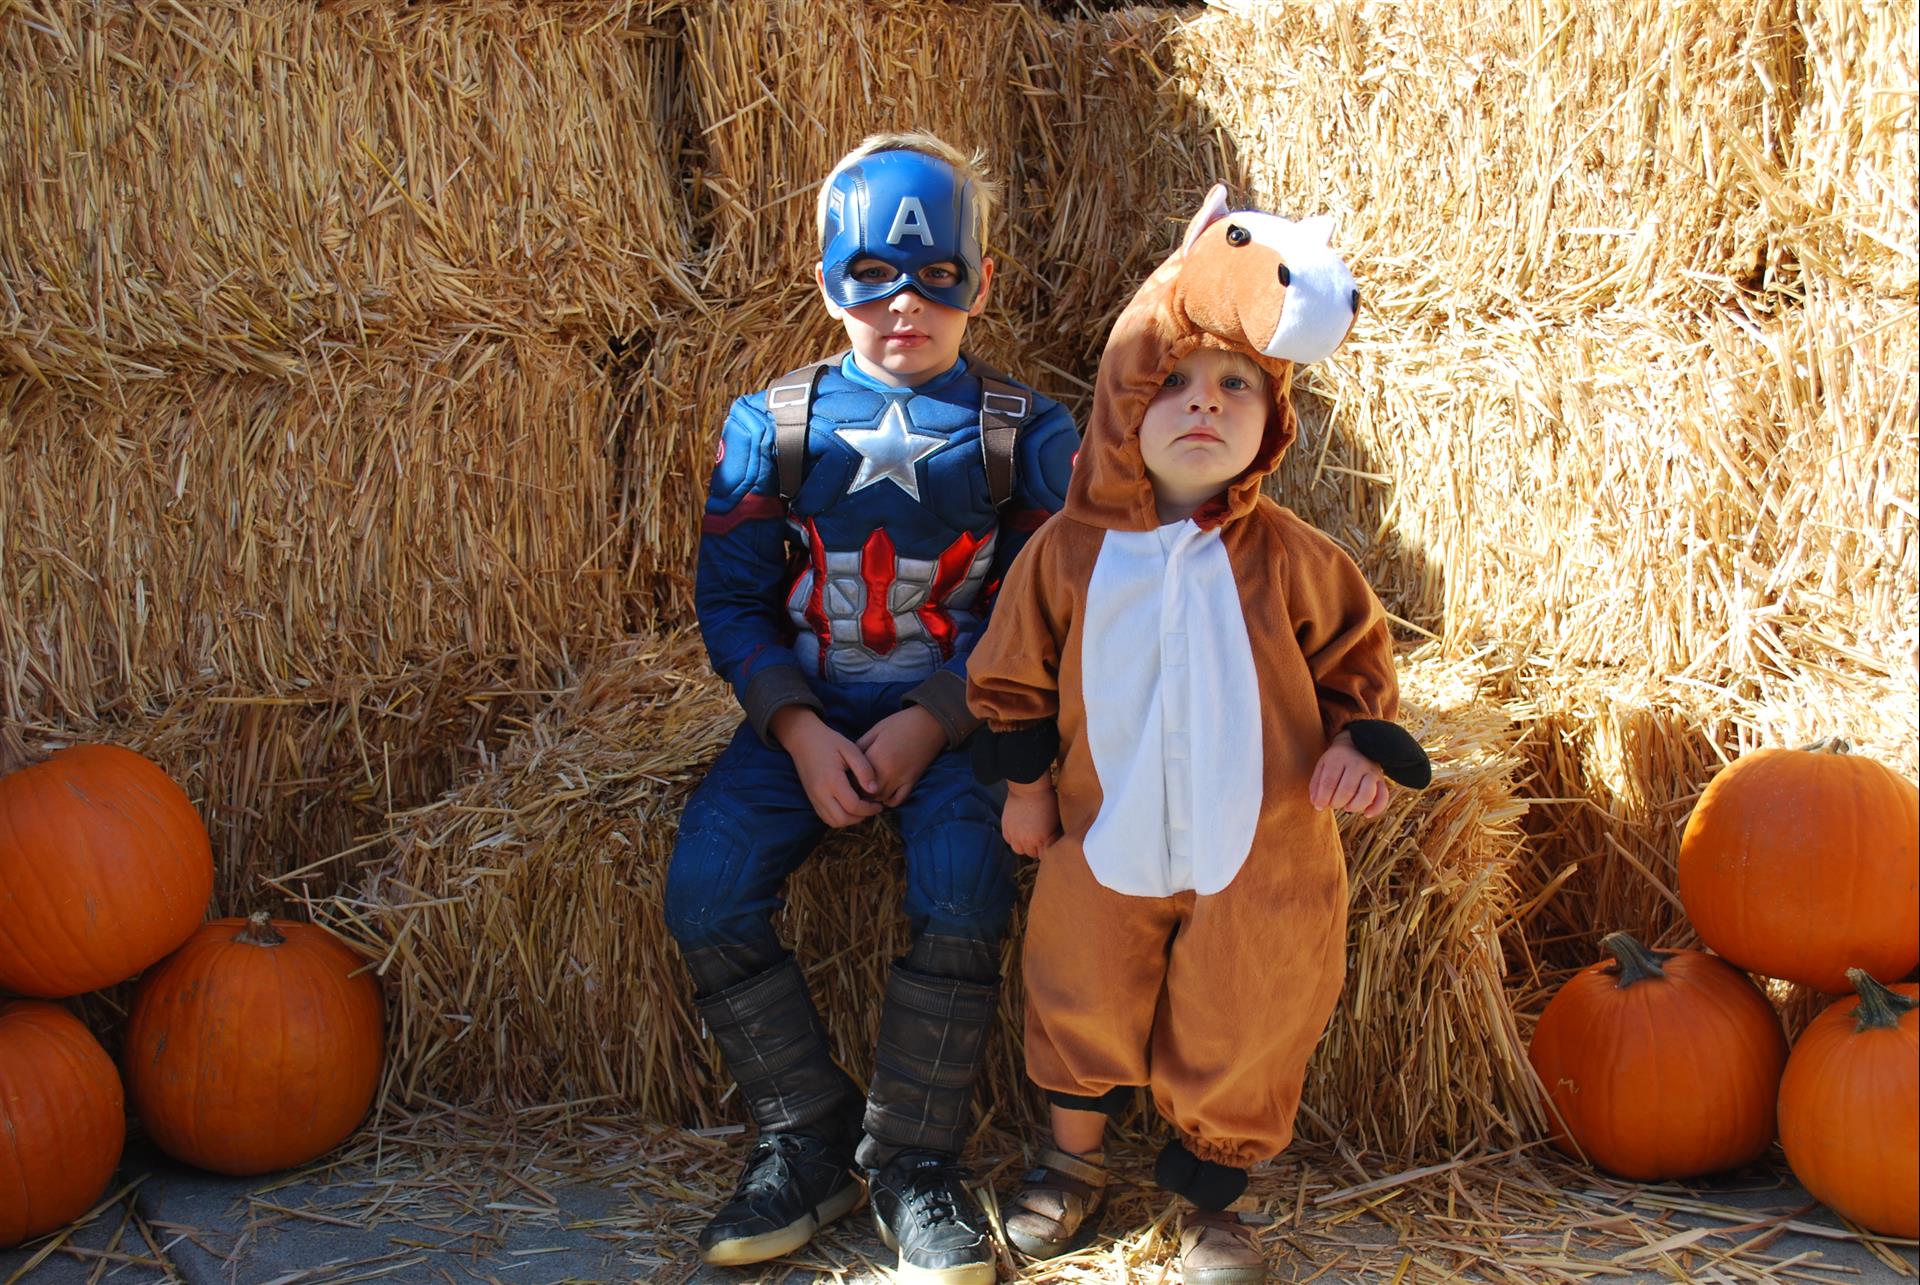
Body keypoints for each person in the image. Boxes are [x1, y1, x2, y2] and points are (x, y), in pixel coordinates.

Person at [966, 186, 1431, 1285]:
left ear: (1274, 417)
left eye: (1236, 386)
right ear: (1125, 399)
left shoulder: (1297, 558)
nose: (1204, 406)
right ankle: (1070, 1160)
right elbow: (1011, 673)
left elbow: (1359, 663)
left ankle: (1211, 1200)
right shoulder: (1070, 554)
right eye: (1173, 382)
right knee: (1078, 982)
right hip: (1101, 832)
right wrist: (1023, 787)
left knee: (1248, 1010)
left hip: (1260, 845)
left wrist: (1357, 742)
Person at [661, 131, 1078, 1285]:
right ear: (825, 282)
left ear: (981, 282)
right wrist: (796, 730)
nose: (905, 305)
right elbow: (731, 601)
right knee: (703, 889)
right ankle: (804, 1132)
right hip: (803, 714)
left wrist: (937, 717)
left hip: (959, 725)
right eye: (871, 277)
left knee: (964, 883)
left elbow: (1056, 601)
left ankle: (912, 1163)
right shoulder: (771, 426)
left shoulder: (1026, 433)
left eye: (938, 275)